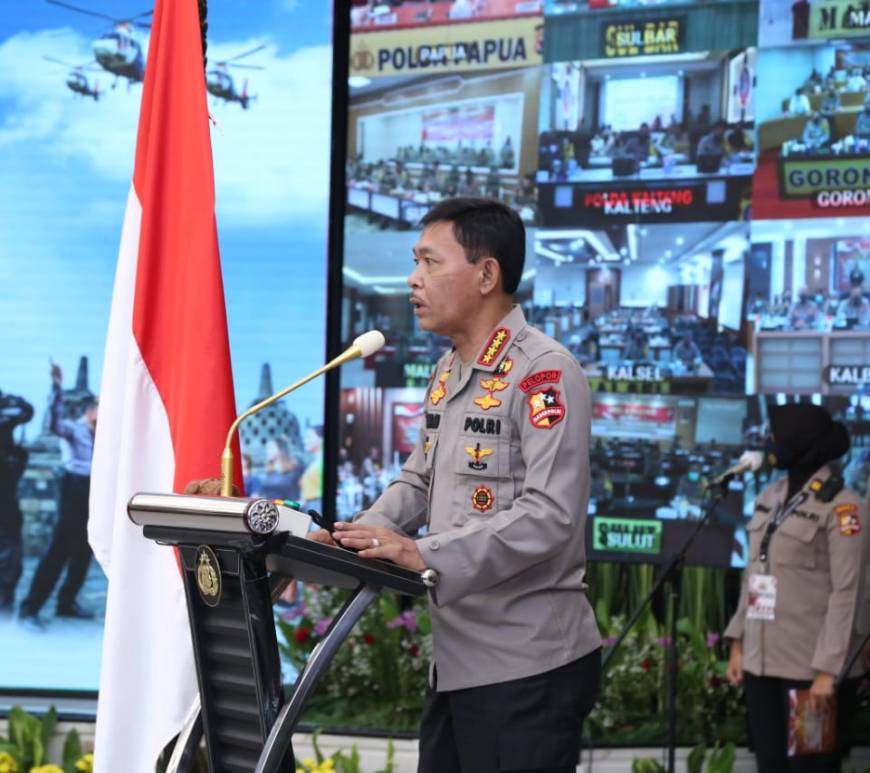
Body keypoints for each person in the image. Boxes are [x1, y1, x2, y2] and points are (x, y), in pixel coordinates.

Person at [319, 197, 602, 772]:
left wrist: (424, 552)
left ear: (486, 274)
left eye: (429, 262)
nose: (413, 278)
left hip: (527, 668)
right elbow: (419, 478)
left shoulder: (544, 372)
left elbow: (550, 515)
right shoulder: (448, 369)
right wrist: (352, 537)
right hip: (456, 663)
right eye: (415, 262)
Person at [725, 404, 868, 772]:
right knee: (770, 764)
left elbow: (848, 593)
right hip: (762, 664)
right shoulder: (768, 497)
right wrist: (739, 642)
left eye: (776, 437)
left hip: (810, 671)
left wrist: (828, 671)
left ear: (801, 444)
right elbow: (755, 574)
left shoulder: (844, 508)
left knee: (810, 768)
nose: (769, 443)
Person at [19, 364, 98, 627]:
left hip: (93, 490)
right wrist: (56, 389)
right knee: (59, 549)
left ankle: (67, 603)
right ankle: (30, 607)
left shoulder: (105, 434)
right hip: (74, 488)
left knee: (84, 550)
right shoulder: (74, 429)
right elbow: (54, 423)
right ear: (89, 411)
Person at [0, 390, 34, 611]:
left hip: (6, 496)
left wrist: (10, 403)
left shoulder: (7, 409)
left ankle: (5, 598)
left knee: (11, 553)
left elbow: (27, 411)